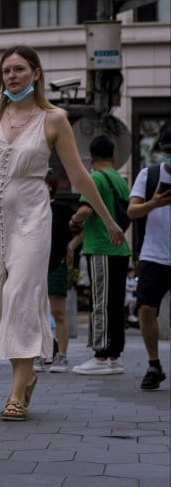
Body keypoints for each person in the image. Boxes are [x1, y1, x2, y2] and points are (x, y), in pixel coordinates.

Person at [0, 46, 125, 421]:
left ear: (36, 73)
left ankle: (16, 393)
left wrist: (110, 219)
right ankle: (28, 373)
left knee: (21, 293)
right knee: (1, 299)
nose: (11, 76)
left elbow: (79, 175)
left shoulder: (53, 119)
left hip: (32, 214)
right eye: (6, 71)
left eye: (18, 69)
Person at [67, 135, 132, 375]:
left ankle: (101, 355)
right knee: (115, 304)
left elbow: (85, 210)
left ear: (91, 158)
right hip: (121, 249)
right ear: (113, 156)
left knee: (100, 303)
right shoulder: (121, 181)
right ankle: (115, 355)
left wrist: (73, 221)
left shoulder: (94, 177)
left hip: (101, 248)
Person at [127, 124, 171, 390]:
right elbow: (132, 212)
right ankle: (154, 364)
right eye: (167, 151)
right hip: (154, 254)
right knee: (145, 309)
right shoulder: (149, 175)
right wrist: (153, 203)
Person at [35, 170, 74, 374]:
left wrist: (71, 247)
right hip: (33, 265)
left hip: (56, 264)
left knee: (58, 312)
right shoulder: (29, 207)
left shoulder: (62, 208)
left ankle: (62, 356)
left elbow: (79, 229)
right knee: (36, 312)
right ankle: (40, 354)